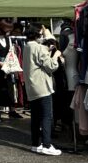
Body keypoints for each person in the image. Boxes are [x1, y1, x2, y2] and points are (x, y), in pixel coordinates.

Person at [23, 25, 63, 155]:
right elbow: (51, 66)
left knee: (35, 116)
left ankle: (35, 144)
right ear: (37, 35)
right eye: (40, 34)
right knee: (47, 116)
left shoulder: (27, 46)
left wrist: (47, 49)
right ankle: (47, 144)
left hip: (31, 86)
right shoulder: (39, 47)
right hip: (42, 86)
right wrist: (55, 55)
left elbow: (37, 57)